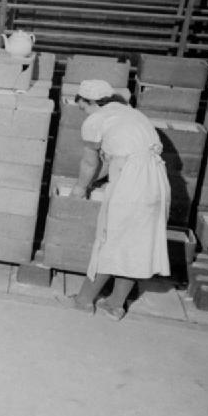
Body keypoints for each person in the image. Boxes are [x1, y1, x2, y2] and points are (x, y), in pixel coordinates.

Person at [64, 79, 170, 320]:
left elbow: (91, 163)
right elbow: (120, 159)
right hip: (157, 181)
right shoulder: (131, 114)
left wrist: (80, 189)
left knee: (108, 238)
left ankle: (83, 300)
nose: (83, 112)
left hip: (132, 183)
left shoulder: (95, 120)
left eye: (83, 106)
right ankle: (115, 304)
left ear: (90, 102)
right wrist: (97, 181)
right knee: (136, 243)